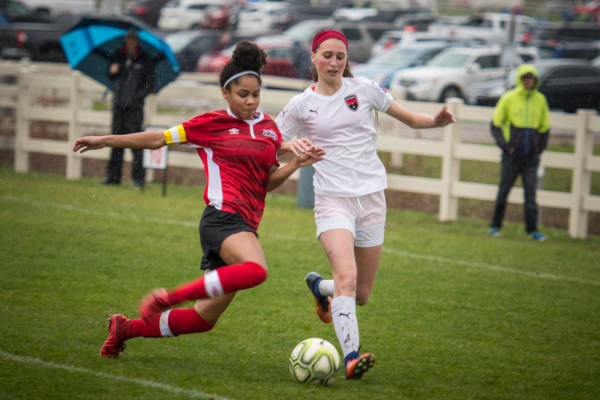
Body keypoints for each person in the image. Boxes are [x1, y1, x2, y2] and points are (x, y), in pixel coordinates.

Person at [72, 41, 325, 358]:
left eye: (255, 94)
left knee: (201, 319)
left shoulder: (270, 130)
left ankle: (125, 328)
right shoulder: (211, 124)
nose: (249, 101)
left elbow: (266, 183)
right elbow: (156, 138)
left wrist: (294, 165)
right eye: (242, 94)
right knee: (257, 270)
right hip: (221, 219)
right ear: (226, 93)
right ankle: (169, 296)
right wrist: (104, 140)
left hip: (244, 225)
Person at [275, 29, 456, 380]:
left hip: (373, 199)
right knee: (348, 276)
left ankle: (320, 287)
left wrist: (436, 121)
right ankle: (352, 358)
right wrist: (295, 148)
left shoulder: (365, 90)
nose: (334, 62)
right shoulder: (302, 103)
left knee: (361, 294)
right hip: (332, 201)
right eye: (327, 55)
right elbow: (274, 142)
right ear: (313, 57)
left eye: (340, 56)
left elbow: (410, 118)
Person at [489, 64, 550, 241]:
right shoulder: (509, 98)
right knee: (504, 191)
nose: (528, 81)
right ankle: (495, 225)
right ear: (520, 79)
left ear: (535, 79)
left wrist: (539, 149)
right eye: (525, 77)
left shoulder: (540, 100)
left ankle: (532, 230)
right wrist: (506, 147)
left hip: (531, 157)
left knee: (530, 194)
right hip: (511, 156)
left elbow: (545, 128)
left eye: (530, 77)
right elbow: (495, 125)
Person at [103, 30, 154, 187]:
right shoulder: (118, 55)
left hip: (134, 108)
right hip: (119, 106)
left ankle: (138, 177)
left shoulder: (145, 59)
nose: (131, 43)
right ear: (125, 41)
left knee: (136, 143)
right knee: (116, 141)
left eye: (134, 40)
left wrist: (136, 98)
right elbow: (110, 77)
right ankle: (113, 177)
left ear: (137, 41)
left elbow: (150, 85)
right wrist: (112, 71)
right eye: (128, 39)